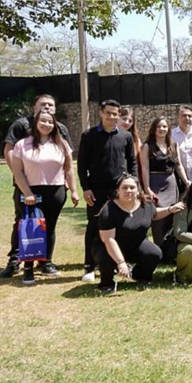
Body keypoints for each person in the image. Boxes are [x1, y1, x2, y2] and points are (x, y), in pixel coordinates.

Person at [0, 94, 74, 278]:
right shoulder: (21, 125)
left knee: (48, 225)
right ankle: (15, 261)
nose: (47, 107)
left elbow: (68, 161)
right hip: (27, 186)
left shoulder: (60, 129)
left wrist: (67, 183)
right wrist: (20, 177)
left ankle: (44, 261)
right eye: (43, 104)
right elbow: (9, 150)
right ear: (35, 107)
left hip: (53, 187)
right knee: (25, 223)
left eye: (50, 105)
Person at [78, 99, 138, 282]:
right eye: (108, 113)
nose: (112, 117)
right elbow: (81, 165)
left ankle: (118, 262)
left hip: (120, 191)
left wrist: (134, 184)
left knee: (120, 227)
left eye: (115, 114)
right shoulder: (89, 135)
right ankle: (89, 266)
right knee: (93, 227)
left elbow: (132, 162)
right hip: (96, 191)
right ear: (101, 113)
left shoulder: (126, 136)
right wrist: (86, 188)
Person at [94, 174, 184, 292]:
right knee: (105, 256)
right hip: (108, 246)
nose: (128, 191)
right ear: (118, 191)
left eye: (132, 187)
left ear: (138, 190)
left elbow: (154, 214)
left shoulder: (145, 203)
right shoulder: (108, 210)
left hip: (136, 244)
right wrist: (121, 262)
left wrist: (170, 209)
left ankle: (139, 276)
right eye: (124, 187)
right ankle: (107, 283)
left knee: (155, 253)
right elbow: (108, 239)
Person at [140, 117, 188, 252]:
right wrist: (147, 188)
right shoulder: (147, 146)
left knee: (172, 213)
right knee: (158, 215)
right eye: (159, 127)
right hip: (155, 183)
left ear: (168, 129)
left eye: (164, 127)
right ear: (154, 129)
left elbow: (179, 165)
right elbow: (145, 168)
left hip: (171, 184)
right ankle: (158, 247)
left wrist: (186, 181)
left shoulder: (173, 145)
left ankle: (170, 248)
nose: (162, 129)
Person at [171, 105, 192, 183]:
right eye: (184, 116)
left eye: (190, 116)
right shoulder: (171, 135)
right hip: (176, 179)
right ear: (178, 118)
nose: (187, 118)